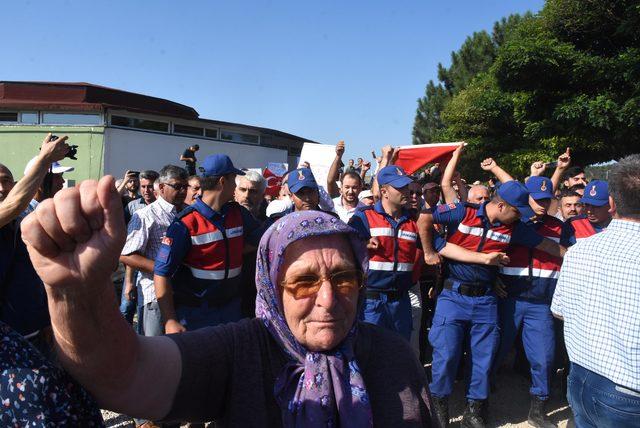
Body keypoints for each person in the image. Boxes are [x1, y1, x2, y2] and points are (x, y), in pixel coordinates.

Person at [21, 190, 438, 426]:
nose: (328, 300)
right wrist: (77, 293)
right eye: (304, 282)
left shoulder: (392, 354)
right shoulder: (240, 351)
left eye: (344, 279)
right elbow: (123, 375)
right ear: (271, 288)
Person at [418, 160, 565, 427]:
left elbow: (546, 245)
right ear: (500, 206)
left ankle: (474, 411)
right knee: (446, 354)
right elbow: (425, 217)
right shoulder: (462, 212)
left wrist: (580, 256)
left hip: (485, 299)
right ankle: (439, 407)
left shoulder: (514, 228)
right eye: (516, 212)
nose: (520, 216)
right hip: (453, 296)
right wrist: (430, 250)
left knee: (483, 358)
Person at [349, 166, 510, 342]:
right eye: (400, 187)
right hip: (371, 302)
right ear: (384, 192)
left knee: (398, 353)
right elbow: (344, 251)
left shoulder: (414, 220)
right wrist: (362, 244)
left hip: (401, 302)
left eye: (407, 186)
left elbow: (443, 247)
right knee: (368, 353)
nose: (407, 191)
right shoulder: (364, 218)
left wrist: (484, 259)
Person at [551, 155, 640, 427]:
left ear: (612, 203)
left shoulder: (579, 252)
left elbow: (559, 311)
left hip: (581, 380)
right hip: (628, 394)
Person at [153, 154, 263, 333]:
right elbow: (161, 273)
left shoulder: (238, 214)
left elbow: (259, 238)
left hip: (232, 312)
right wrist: (170, 320)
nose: (236, 185)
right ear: (222, 181)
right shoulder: (185, 223)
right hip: (196, 315)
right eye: (233, 179)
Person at [493, 176, 564, 428]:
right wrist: (492, 281)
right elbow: (488, 252)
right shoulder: (509, 223)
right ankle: (480, 399)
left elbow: (571, 258)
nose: (543, 204)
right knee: (493, 350)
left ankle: (538, 409)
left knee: (544, 357)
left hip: (541, 303)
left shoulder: (561, 227)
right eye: (537, 199)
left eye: (547, 199)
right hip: (508, 300)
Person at [0, 133, 70, 354]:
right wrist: (44, 159)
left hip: (34, 328)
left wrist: (47, 319)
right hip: (7, 339)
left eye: (6, 180)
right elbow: (12, 206)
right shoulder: (18, 211)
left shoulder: (22, 219)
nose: (2, 188)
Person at [120, 165, 188, 337]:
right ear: (162, 187)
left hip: (184, 293)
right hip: (154, 295)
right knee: (155, 350)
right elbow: (127, 255)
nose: (182, 191)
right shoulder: (145, 215)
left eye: (184, 187)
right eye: (177, 186)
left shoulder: (188, 213)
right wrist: (163, 270)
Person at [120, 170, 160, 326]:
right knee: (126, 307)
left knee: (147, 310)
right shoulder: (133, 206)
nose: (146, 190)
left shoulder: (165, 209)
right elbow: (129, 247)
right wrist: (129, 281)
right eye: (143, 186)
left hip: (152, 270)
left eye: (149, 186)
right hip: (134, 264)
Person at [560, 180, 611, 247]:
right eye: (587, 205)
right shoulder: (573, 224)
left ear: (610, 204)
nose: (589, 211)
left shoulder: (621, 224)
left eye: (596, 206)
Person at [327, 141, 366, 222]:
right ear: (341, 188)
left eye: (354, 187)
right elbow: (330, 181)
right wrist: (338, 156)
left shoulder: (365, 210)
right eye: (347, 187)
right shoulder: (332, 205)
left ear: (360, 188)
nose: (350, 191)